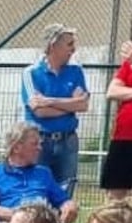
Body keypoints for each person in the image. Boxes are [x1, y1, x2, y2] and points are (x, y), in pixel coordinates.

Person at [21, 23, 90, 195]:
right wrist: (70, 106)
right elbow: (39, 111)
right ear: (53, 46)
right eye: (69, 44)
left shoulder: (76, 71)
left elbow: (83, 105)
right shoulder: (31, 73)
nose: (73, 49)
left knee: (65, 195)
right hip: (40, 142)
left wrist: (49, 100)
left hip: (68, 141)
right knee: (37, 192)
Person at [0, 121, 78, 223]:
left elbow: (63, 201)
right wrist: (16, 215)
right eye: (34, 144)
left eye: (40, 144)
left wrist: (69, 206)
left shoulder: (43, 174)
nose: (40, 148)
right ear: (17, 148)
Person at [99, 41, 132, 205]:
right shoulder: (129, 64)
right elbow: (112, 91)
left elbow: (121, 92)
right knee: (114, 193)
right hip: (122, 137)